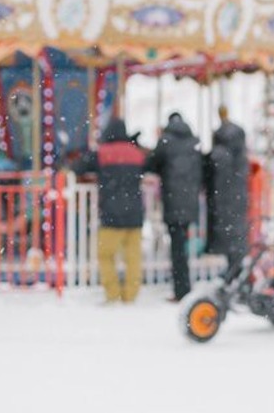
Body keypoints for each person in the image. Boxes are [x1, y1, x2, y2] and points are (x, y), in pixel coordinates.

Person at [72, 117, 146, 303]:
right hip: (135, 213)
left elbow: (78, 167)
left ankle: (112, 293)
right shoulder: (136, 153)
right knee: (133, 258)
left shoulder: (103, 153)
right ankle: (130, 295)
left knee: (105, 255)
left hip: (112, 213)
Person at [145, 112, 202, 302]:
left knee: (177, 248)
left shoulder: (166, 141)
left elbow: (152, 163)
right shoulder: (194, 142)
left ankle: (182, 290)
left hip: (173, 201)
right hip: (190, 201)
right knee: (182, 246)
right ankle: (184, 286)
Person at [204, 105, 249, 275]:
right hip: (235, 194)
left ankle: (233, 267)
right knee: (235, 230)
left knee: (229, 230)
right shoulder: (238, 153)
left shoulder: (221, 153)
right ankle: (236, 266)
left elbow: (217, 173)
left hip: (225, 196)